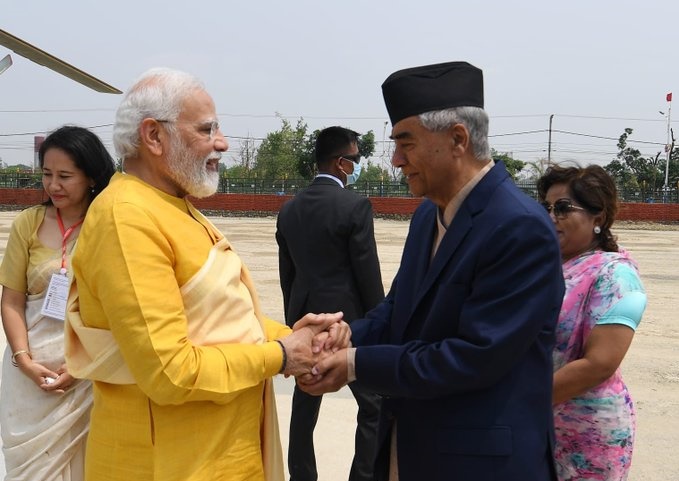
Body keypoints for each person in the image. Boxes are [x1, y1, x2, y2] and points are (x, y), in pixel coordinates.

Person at [62, 68, 348, 481]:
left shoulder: (172, 206)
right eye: (206, 129)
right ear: (153, 136)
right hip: (167, 464)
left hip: (223, 455)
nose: (222, 142)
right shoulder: (126, 217)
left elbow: (222, 318)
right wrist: (284, 355)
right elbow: (170, 373)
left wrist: (299, 337)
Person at [298, 61, 565, 481]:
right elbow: (398, 310)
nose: (396, 160)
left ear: (458, 139)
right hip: (411, 448)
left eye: (406, 143)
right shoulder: (428, 215)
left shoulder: (518, 227)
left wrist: (355, 363)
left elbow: (473, 357)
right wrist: (343, 336)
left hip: (479, 464)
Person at [0, 125, 115, 481]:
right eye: (47, 174)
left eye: (65, 176)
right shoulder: (28, 224)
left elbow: (117, 309)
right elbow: (11, 301)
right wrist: (24, 361)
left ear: (91, 177)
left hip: (87, 375)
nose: (53, 185)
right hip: (28, 377)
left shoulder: (109, 226)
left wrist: (82, 365)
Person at [276, 126, 384, 481]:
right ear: (341, 163)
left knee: (305, 404)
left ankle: (302, 476)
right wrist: (378, 323)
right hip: (347, 327)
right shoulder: (355, 206)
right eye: (355, 159)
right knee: (373, 405)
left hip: (307, 324)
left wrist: (296, 326)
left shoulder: (289, 210)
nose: (357, 165)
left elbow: (288, 276)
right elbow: (367, 273)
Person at [537, 165, 647, 481]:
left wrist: (522, 401)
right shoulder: (548, 267)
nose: (551, 217)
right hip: (539, 426)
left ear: (598, 216)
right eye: (546, 207)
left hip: (588, 435)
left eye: (562, 208)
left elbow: (599, 364)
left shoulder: (615, 276)